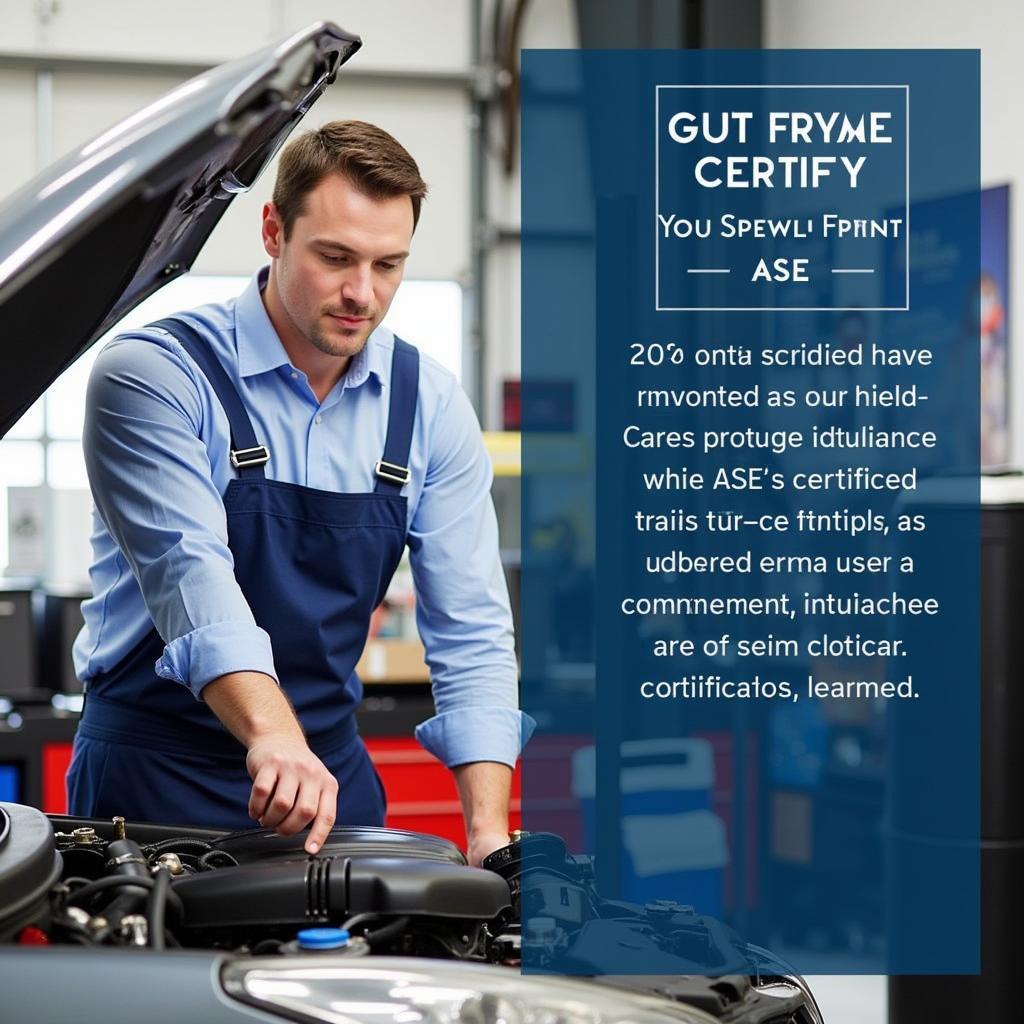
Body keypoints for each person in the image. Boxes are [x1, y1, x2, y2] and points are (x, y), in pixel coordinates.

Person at [67, 120, 530, 866]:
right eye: (336, 257)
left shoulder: (429, 404)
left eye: (388, 265)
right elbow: (193, 577)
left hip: (327, 776)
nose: (362, 294)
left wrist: (487, 829)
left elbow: (471, 629)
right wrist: (274, 737)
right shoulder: (154, 375)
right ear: (273, 230)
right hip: (154, 778)